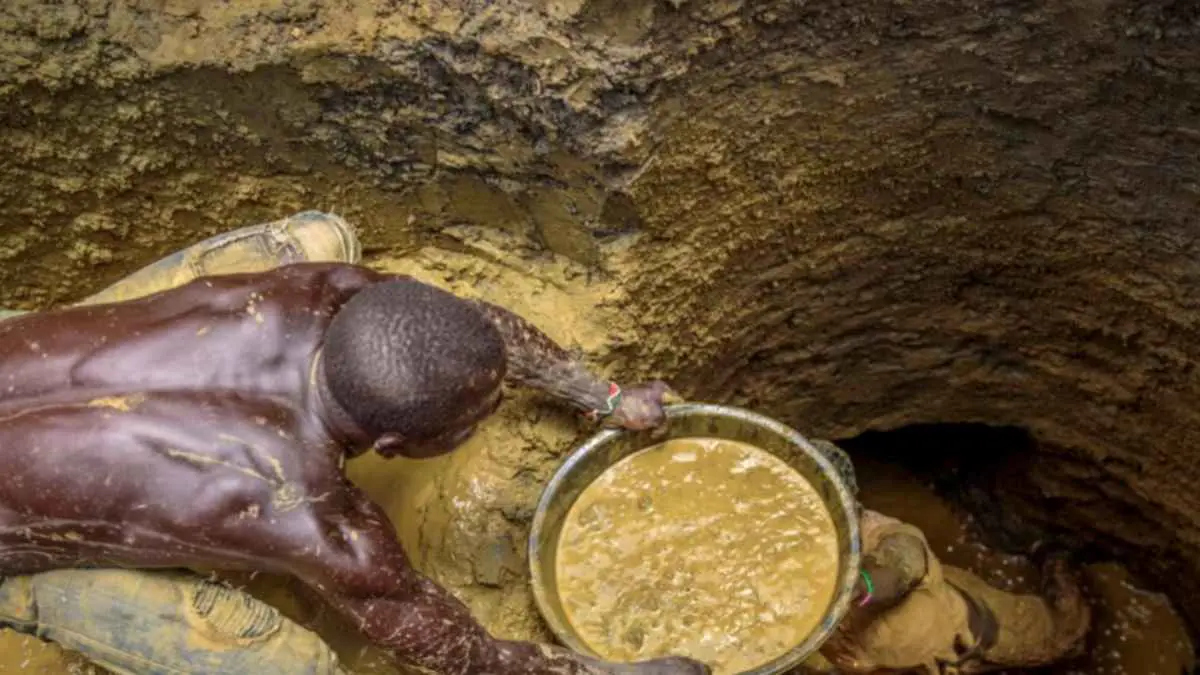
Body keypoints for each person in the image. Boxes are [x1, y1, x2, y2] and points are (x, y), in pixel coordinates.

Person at [0, 211, 708, 675]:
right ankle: (32, 602)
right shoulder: (308, 513)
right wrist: (608, 670)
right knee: (291, 665)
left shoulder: (318, 293)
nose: (482, 422)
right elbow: (461, 648)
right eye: (470, 423)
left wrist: (609, 400)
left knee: (323, 236)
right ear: (395, 445)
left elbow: (473, 326)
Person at [809, 442, 1092, 675]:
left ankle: (1054, 557)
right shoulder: (788, 551)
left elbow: (897, 570)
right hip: (878, 658)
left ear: (849, 503)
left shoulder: (888, 537)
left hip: (958, 632)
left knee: (1062, 637)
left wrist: (857, 585)